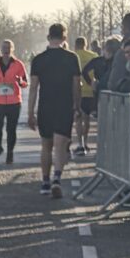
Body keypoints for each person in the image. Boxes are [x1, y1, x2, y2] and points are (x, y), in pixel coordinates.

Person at [29, 23, 82, 195]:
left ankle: (45, 182)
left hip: (45, 106)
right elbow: (77, 85)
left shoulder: (38, 60)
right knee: (60, 144)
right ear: (64, 38)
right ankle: (57, 178)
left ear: (48, 37)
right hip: (64, 105)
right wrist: (77, 106)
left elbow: (33, 88)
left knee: (46, 145)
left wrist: (30, 113)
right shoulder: (72, 58)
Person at [0, 39, 27, 163]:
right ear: (0, 49)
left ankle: (10, 152)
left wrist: (20, 82)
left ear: (12, 49)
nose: (6, 50)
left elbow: (25, 81)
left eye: (8, 47)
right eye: (4, 47)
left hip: (14, 102)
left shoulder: (18, 64)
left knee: (11, 129)